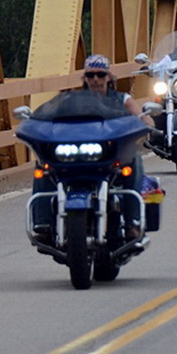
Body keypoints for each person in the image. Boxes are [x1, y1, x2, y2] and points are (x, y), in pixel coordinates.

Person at [32, 55, 153, 242]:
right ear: (85, 78)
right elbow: (50, 115)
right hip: (78, 154)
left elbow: (140, 116)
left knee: (134, 160)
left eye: (100, 74)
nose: (95, 79)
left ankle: (133, 221)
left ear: (108, 77)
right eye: (91, 75)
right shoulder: (71, 100)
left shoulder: (122, 99)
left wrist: (146, 121)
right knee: (43, 165)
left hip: (109, 154)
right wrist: (34, 124)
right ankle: (42, 223)